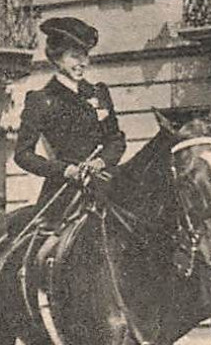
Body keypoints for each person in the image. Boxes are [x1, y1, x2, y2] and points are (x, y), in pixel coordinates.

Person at [13, 16, 127, 211]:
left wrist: (101, 161)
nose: (83, 63)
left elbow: (116, 140)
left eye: (85, 56)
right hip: (65, 190)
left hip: (106, 184)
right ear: (57, 59)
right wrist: (65, 170)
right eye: (75, 56)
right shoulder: (41, 100)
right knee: (50, 239)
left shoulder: (98, 93)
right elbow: (23, 154)